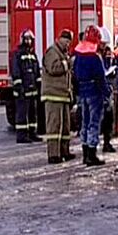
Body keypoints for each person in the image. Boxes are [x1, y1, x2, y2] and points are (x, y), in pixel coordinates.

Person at [73, 25, 107, 166]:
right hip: (94, 92)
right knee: (94, 123)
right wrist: (106, 93)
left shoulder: (79, 56)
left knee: (85, 123)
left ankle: (85, 152)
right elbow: (101, 77)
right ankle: (91, 155)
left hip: (82, 92)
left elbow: (74, 74)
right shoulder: (95, 57)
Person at [41, 29, 76, 164]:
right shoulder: (52, 52)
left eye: (69, 42)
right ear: (59, 39)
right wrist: (67, 64)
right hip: (53, 95)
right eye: (66, 41)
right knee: (54, 127)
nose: (67, 44)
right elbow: (53, 68)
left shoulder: (63, 53)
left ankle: (64, 151)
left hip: (63, 95)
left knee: (65, 127)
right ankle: (53, 154)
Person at [12, 29, 42, 144]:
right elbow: (16, 71)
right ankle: (21, 136)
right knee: (22, 113)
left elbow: (36, 72)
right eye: (26, 39)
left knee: (32, 113)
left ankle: (32, 133)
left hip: (32, 90)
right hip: (22, 90)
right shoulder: (18, 54)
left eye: (30, 39)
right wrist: (19, 87)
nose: (28, 41)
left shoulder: (33, 55)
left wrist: (39, 84)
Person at [98, 26, 116, 153]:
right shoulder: (94, 53)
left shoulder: (108, 53)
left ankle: (107, 141)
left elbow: (109, 67)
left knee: (108, 117)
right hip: (97, 89)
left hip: (106, 88)